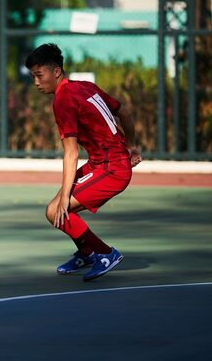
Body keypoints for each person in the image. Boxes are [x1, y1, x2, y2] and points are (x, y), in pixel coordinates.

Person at [25, 43, 142, 282]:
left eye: (39, 75)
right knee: (56, 209)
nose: (36, 82)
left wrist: (65, 196)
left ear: (56, 71)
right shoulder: (84, 86)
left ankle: (105, 253)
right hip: (104, 163)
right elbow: (125, 112)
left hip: (112, 169)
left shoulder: (63, 100)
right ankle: (88, 253)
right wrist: (130, 146)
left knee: (56, 210)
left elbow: (71, 153)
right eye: (33, 76)